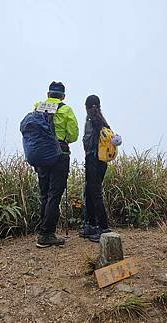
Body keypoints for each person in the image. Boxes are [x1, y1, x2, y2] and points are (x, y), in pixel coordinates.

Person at [34, 81, 79, 248]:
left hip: (42, 154)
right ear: (63, 96)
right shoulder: (66, 110)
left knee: (44, 193)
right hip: (60, 154)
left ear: (48, 95)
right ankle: (46, 234)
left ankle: (43, 230)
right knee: (55, 194)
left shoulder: (38, 106)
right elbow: (73, 136)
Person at [80, 94, 112, 242]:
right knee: (91, 191)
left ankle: (103, 227)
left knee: (94, 193)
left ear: (86, 107)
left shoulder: (90, 121)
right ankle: (92, 225)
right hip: (102, 162)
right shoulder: (104, 122)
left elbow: (86, 142)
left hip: (92, 160)